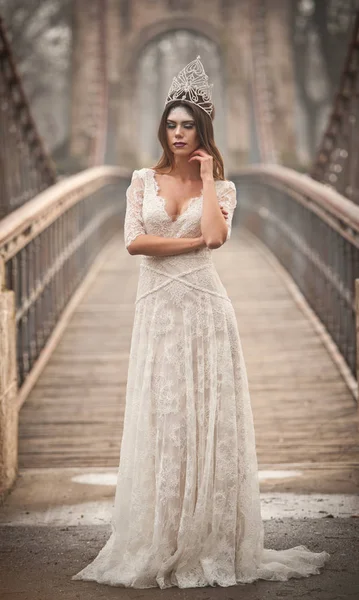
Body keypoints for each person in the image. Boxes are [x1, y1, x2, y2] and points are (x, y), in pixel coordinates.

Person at [71, 56, 330, 589]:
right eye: (172, 123)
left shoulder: (223, 188)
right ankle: (162, 535)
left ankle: (208, 535)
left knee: (204, 415)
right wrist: (186, 243)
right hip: (158, 310)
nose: (180, 132)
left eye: (189, 125)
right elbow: (133, 242)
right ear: (162, 127)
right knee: (164, 415)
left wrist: (208, 178)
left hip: (206, 310)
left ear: (202, 130)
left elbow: (215, 236)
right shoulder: (141, 180)